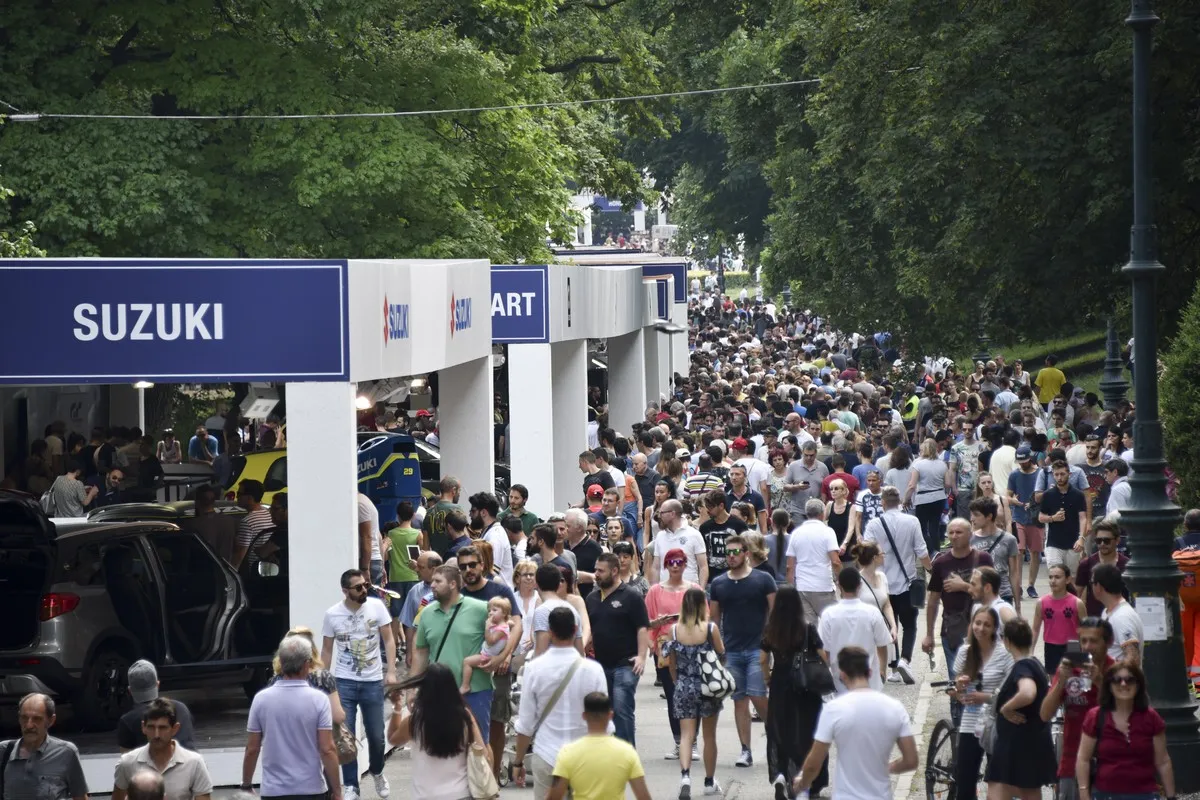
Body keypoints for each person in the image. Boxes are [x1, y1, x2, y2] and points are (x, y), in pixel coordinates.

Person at [791, 647, 917, 800]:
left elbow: (813, 764)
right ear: (869, 672)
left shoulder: (834, 710)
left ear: (842, 675)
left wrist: (802, 784)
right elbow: (911, 760)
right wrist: (887, 767)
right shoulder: (895, 708)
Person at [512, 608, 609, 800]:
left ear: (550, 631)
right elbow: (604, 721)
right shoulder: (593, 670)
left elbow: (526, 724)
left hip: (548, 755)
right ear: (575, 630)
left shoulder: (534, 669)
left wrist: (518, 761)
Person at [319, 569, 398, 800]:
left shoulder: (376, 606)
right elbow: (326, 650)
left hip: (372, 681)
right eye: (358, 587)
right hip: (344, 681)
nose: (364, 590)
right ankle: (351, 785)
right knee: (346, 737)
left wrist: (391, 671)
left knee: (376, 735)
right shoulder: (332, 614)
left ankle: (377, 771)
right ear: (345, 591)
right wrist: (323, 681)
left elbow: (389, 639)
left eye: (365, 585)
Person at [242, 636, 343, 800]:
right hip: (311, 789)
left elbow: (252, 748)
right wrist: (337, 791)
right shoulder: (319, 700)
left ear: (281, 663)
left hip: (274, 791)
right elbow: (327, 749)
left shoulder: (261, 699)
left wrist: (246, 784)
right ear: (307, 664)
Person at [708, 534, 777, 767]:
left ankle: (775, 735)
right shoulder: (719, 584)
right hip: (732, 650)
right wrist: (717, 650)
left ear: (746, 553)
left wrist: (770, 646)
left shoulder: (763, 579)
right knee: (739, 700)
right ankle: (745, 750)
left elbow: (774, 613)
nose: (731, 556)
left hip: (758, 648)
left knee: (758, 695)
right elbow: (714, 620)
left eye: (736, 552)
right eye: (728, 552)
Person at [411, 565, 495, 741]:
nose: (432, 585)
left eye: (438, 581)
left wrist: (500, 658)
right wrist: (412, 689)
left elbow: (506, 631)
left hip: (475, 690)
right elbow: (421, 652)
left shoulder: (481, 609)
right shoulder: (426, 613)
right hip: (438, 691)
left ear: (453, 584)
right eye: (432, 581)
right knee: (442, 745)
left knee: (479, 744)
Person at [760, 585, 828, 799]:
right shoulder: (807, 628)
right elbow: (823, 656)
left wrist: (767, 678)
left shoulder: (771, 629)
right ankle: (809, 782)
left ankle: (781, 773)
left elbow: (762, 658)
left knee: (781, 729)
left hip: (780, 685)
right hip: (805, 686)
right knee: (809, 731)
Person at [385, 662, 489, 800]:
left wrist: (397, 707)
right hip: (460, 794)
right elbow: (484, 753)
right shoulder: (464, 717)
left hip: (425, 796)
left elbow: (393, 738)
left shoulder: (415, 721)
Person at [1039, 617, 1115, 800]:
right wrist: (1061, 683)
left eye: (1093, 641)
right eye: (1083, 641)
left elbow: (1124, 712)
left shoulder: (1116, 671)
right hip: (1072, 759)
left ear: (1108, 642)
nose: (1087, 646)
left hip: (1111, 760)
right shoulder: (1069, 670)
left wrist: (1099, 681)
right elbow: (1045, 714)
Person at [1076, 661, 1175, 800]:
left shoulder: (1151, 717)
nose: (1123, 684)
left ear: (1138, 685)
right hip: (1105, 794)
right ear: (1109, 686)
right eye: (1117, 680)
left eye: (1130, 680)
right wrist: (1083, 793)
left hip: (1145, 795)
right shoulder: (1096, 716)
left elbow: (1163, 761)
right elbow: (1083, 759)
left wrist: (1171, 797)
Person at [864, 486, 932, 685]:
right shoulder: (912, 521)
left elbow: (866, 552)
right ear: (900, 502)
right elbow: (922, 551)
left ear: (883, 503)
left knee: (888, 625)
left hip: (881, 584)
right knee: (909, 625)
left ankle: (893, 668)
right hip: (907, 582)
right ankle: (905, 660)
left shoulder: (874, 524)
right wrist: (931, 570)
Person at [984, 618, 1057, 800]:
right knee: (1028, 791)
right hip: (1030, 739)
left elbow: (1028, 692)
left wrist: (1006, 708)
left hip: (1018, 743)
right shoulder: (1035, 663)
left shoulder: (1022, 666)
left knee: (997, 791)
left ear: (1007, 641)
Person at [665, 587, 726, 800]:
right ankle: (709, 781)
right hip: (708, 687)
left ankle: (685, 777)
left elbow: (671, 663)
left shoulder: (674, 630)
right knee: (709, 736)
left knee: (686, 736)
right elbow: (721, 654)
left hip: (684, 685)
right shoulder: (710, 629)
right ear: (703, 605)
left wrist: (678, 681)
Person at [584, 553, 650, 745]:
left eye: (601, 571)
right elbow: (589, 630)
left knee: (622, 709)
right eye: (595, 570)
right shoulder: (591, 598)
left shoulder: (631, 596)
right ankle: (611, 753)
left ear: (614, 571)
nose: (596, 574)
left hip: (626, 664)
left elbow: (642, 628)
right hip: (600, 665)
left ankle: (627, 756)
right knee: (606, 711)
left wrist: (641, 657)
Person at [949, 607, 1012, 800]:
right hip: (971, 723)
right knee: (965, 783)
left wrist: (984, 697)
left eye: (987, 625)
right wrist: (959, 689)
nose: (981, 628)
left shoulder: (1004, 654)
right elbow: (956, 692)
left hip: (997, 724)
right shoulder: (965, 652)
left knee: (999, 783)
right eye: (977, 623)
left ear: (994, 628)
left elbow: (1011, 693)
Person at [924, 518, 993, 693]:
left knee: (980, 681)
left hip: (982, 628)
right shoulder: (941, 563)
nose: (954, 536)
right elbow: (933, 600)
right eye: (951, 532)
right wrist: (929, 634)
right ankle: (958, 711)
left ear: (970, 535)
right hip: (952, 629)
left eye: (959, 532)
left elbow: (991, 594)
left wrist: (963, 586)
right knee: (957, 683)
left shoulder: (983, 559)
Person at [644, 548, 698, 760]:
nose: (675, 566)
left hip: (691, 645)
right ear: (666, 565)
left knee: (692, 696)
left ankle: (692, 741)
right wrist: (652, 644)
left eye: (679, 562)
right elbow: (646, 621)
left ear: (685, 564)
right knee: (673, 695)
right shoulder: (655, 591)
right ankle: (679, 741)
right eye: (671, 562)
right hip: (665, 647)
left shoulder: (694, 590)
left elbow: (704, 618)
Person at [547, 692, 651, 800]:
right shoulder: (627, 752)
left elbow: (554, 796)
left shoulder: (568, 752)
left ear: (584, 716)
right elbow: (643, 796)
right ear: (610, 715)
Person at [113, 699, 213, 800]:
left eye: (162, 728)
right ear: (143, 727)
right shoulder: (127, 763)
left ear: (175, 729)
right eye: (151, 727)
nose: (156, 735)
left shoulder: (194, 763)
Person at [0, 693, 88, 800]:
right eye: (24, 718)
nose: (29, 725)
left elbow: (80, 796)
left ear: (51, 721)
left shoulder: (66, 752)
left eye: (37, 719)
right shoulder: (4, 751)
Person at [818, 567, 891, 693]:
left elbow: (825, 650)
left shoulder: (828, 615)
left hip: (840, 681)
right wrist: (882, 669)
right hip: (870, 680)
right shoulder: (872, 612)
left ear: (839, 585)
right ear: (860, 585)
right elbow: (882, 644)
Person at [117, 660, 198, 752]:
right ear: (158, 684)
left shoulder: (127, 721)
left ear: (130, 691)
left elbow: (126, 757)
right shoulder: (181, 708)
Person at [786, 498, 841, 620]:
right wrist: (842, 583)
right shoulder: (827, 532)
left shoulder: (796, 533)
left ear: (806, 513)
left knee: (809, 628)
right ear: (822, 513)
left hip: (802, 587)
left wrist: (791, 588)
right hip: (823, 586)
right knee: (832, 623)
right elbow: (836, 561)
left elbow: (790, 566)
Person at [1030, 564, 1086, 673]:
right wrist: (1031, 651)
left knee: (1073, 679)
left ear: (1067, 580)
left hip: (1073, 646)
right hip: (1051, 646)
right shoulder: (1042, 602)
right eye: (1050, 577)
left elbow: (1086, 630)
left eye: (1057, 577)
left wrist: (1085, 651)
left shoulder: (1077, 603)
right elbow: (1035, 629)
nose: (1053, 581)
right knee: (1053, 678)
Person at [1074, 519, 1129, 616]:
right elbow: (1076, 596)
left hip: (1121, 617)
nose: (1102, 544)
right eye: (1099, 541)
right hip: (1095, 619)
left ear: (1117, 540)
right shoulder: (1086, 564)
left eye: (1107, 541)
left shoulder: (1127, 565)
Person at [459, 597, 514, 693]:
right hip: (488, 653)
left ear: (504, 613)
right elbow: (511, 623)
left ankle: (465, 686)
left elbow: (490, 641)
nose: (490, 613)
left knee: (467, 662)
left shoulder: (501, 629)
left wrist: (487, 628)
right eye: (489, 611)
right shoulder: (501, 624)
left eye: (494, 610)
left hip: (487, 657)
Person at [1093, 562, 1144, 663]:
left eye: (1091, 582)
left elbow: (1133, 659)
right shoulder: (1107, 612)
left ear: (1098, 586)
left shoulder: (1122, 617)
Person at [909, 438, 951, 553]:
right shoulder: (942, 464)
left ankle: (930, 551)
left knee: (922, 528)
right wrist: (945, 492)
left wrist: (907, 499)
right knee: (934, 527)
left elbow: (912, 485)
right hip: (939, 497)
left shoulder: (918, 464)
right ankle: (936, 551)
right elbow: (948, 483)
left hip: (923, 498)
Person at [852, 542, 897, 637]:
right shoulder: (856, 581)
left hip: (881, 630)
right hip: (863, 633)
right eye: (882, 553)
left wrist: (893, 626)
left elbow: (886, 605)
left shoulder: (882, 576)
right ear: (875, 558)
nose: (884, 555)